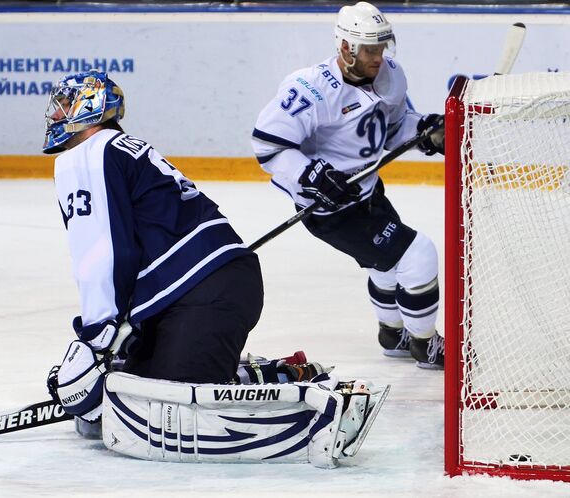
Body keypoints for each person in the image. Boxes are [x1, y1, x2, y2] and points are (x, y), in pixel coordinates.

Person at [39, 71, 388, 467]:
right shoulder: (117, 149)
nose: (55, 116)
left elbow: (101, 251)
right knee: (131, 393)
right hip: (207, 287)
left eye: (64, 106)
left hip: (202, 292)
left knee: (160, 411)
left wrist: (96, 339)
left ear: (89, 109)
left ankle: (302, 393)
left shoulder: (88, 153)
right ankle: (270, 375)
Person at [251, 2, 445, 369]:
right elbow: (268, 146)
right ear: (345, 48)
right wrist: (312, 176)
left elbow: (392, 129)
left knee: (388, 266)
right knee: (418, 256)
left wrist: (425, 132)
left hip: (369, 190)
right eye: (370, 49)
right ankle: (425, 343)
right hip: (331, 209)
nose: (378, 56)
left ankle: (392, 334)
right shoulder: (311, 89)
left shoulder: (389, 75)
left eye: (381, 47)